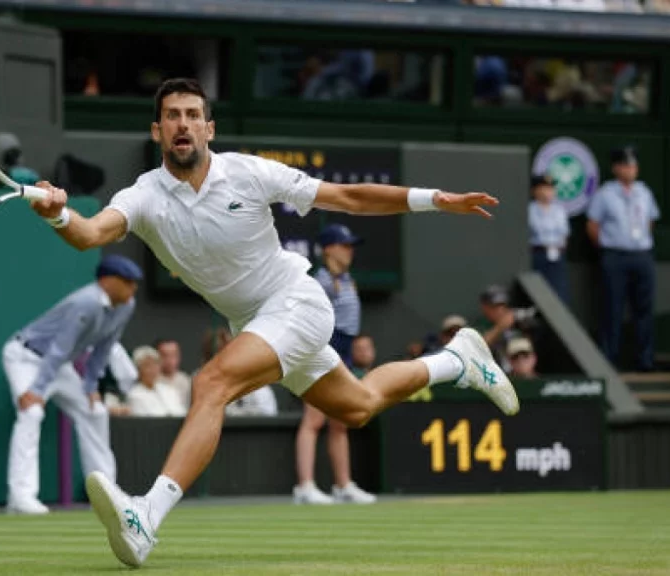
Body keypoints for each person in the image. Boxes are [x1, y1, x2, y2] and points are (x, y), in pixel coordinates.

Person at [28, 78, 519, 566]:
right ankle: (458, 361)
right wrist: (57, 215)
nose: (184, 124)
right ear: (157, 131)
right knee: (359, 405)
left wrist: (436, 198)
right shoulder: (143, 196)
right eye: (173, 115)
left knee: (211, 383)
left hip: (297, 304)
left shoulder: (249, 172)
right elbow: (90, 233)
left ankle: (145, 518)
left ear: (209, 128)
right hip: (254, 323)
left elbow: (349, 197)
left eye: (193, 114)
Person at [2, 254, 142, 514]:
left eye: (135, 283)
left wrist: (90, 387)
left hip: (58, 365)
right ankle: (20, 497)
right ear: (107, 281)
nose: (133, 288)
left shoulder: (126, 305)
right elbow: (60, 347)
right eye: (127, 282)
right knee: (31, 412)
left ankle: (107, 493)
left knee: (95, 412)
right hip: (25, 358)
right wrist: (36, 390)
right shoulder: (86, 302)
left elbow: (104, 347)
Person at [293, 223, 375, 505]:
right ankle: (304, 486)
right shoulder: (321, 281)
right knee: (314, 419)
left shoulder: (347, 279)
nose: (350, 251)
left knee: (339, 422)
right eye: (345, 245)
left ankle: (343, 485)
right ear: (329, 249)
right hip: (323, 350)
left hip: (345, 351)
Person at [587, 146, 660, 371]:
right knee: (612, 308)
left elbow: (650, 221)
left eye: (634, 165)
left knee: (644, 309)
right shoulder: (605, 194)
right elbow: (593, 226)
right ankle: (609, 360)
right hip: (615, 256)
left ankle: (645, 360)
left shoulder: (644, 192)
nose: (631, 170)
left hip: (641, 255)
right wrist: (609, 247)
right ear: (616, 168)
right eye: (627, 165)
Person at [528, 174, 570, 304]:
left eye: (551, 188)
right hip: (538, 253)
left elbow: (564, 234)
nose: (548, 192)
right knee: (538, 293)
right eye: (544, 188)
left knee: (559, 291)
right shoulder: (530, 209)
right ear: (535, 190)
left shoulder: (559, 210)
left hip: (557, 254)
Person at [126, 346, 187, 417]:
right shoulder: (134, 395)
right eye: (147, 366)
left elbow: (181, 413)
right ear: (138, 370)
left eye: (155, 364)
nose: (153, 370)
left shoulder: (170, 391)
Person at [154, 338, 191, 408]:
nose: (169, 360)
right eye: (165, 355)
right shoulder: (151, 381)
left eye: (174, 355)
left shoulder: (186, 380)